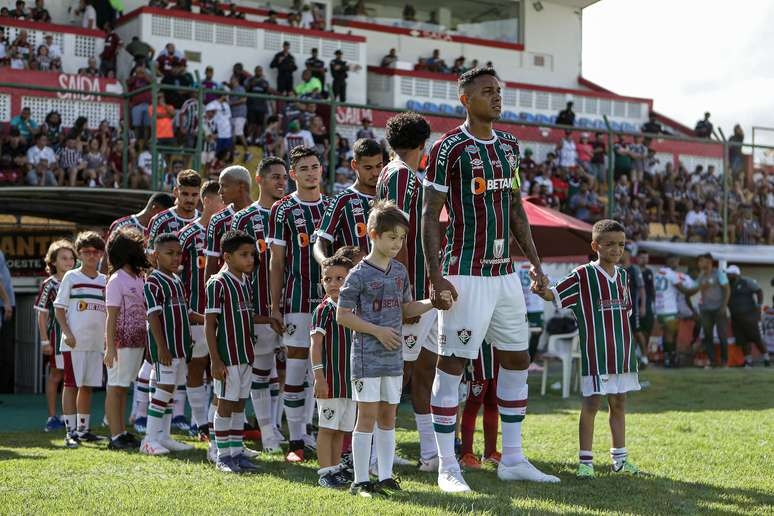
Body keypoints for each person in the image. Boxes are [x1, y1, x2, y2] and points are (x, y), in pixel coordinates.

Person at [422, 67, 558, 492]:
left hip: (505, 275)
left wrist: (535, 264)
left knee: (517, 360)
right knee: (452, 366)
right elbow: (429, 214)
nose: (496, 97)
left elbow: (516, 208)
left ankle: (512, 458)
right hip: (465, 272)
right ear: (465, 100)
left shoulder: (510, 145)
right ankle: (448, 466)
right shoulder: (448, 148)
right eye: (487, 91)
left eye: (498, 90)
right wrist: (435, 275)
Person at [337, 200, 439, 496]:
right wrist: (377, 331)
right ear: (373, 235)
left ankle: (384, 477)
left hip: (394, 358)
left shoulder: (399, 271)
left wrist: (433, 302)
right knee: (366, 418)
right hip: (366, 359)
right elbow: (342, 315)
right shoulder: (358, 274)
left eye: (402, 238)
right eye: (392, 237)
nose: (397, 243)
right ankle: (360, 481)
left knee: (388, 418)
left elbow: (406, 309)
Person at [537, 219, 640, 478]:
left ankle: (620, 460)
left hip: (622, 352)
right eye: (610, 244)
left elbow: (625, 313)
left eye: (621, 244)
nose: (616, 249)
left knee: (619, 402)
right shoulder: (582, 275)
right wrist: (541, 289)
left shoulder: (624, 276)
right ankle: (586, 463)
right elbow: (554, 295)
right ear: (595, 246)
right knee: (592, 403)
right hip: (596, 353)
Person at [376, 112, 439, 472]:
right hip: (408, 290)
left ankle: (430, 453)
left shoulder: (400, 173)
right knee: (398, 374)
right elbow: (394, 236)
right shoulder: (400, 175)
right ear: (423, 144)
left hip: (420, 288)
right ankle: (373, 452)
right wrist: (404, 294)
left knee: (423, 370)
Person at [269, 146, 330, 462]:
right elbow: (277, 262)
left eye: (314, 167)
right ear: (293, 174)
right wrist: (274, 305)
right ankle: (295, 442)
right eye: (304, 168)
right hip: (296, 300)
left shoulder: (332, 206)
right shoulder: (282, 209)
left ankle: (324, 436)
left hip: (329, 302)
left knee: (326, 369)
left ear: (322, 169)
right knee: (295, 368)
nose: (310, 173)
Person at [230, 158, 288, 453]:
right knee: (261, 371)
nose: (281, 182)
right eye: (275, 177)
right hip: (259, 310)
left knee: (292, 372)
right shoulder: (245, 218)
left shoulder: (291, 211)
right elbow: (234, 267)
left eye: (284, 177)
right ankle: (267, 433)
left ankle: (284, 430)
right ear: (259, 180)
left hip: (292, 305)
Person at [206, 230, 262, 473]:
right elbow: (210, 324)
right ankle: (222, 455)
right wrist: (215, 360)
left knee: (239, 404)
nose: (250, 259)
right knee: (225, 405)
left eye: (252, 254)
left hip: (245, 355)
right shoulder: (217, 283)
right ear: (227, 257)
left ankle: (237, 452)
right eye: (244, 255)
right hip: (227, 357)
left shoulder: (245, 281)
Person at [141, 233, 195, 456]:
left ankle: (163, 436)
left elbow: (186, 312)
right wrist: (162, 348)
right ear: (156, 255)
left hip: (180, 348)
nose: (175, 258)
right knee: (163, 390)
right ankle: (149, 440)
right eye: (169, 253)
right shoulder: (153, 282)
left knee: (170, 390)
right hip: (166, 349)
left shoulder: (176, 280)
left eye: (178, 253)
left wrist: (210, 318)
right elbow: (153, 316)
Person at [177, 180, 223, 439]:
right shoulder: (188, 234)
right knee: (196, 366)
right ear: (207, 201)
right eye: (221, 201)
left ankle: (215, 422)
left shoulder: (229, 229)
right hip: (196, 313)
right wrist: (187, 310)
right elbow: (175, 275)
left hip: (223, 315)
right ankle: (199, 423)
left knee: (222, 368)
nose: (225, 207)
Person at [54, 231, 107, 448]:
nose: (91, 255)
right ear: (79, 254)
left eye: (96, 251)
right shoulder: (71, 277)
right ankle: (70, 432)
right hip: (74, 342)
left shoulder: (105, 280)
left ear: (101, 254)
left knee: (87, 385)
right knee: (71, 384)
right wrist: (67, 333)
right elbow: (59, 308)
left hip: (96, 343)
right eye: (87, 252)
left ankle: (84, 430)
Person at [310, 254, 356, 488]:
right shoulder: (324, 310)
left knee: (340, 430)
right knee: (327, 428)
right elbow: (315, 346)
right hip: (330, 381)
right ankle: (325, 472)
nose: (333, 283)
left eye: (340, 278)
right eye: (328, 279)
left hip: (349, 383)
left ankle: (335, 468)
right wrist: (319, 378)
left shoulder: (353, 309)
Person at [104, 228, 149, 451]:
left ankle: (122, 432)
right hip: (121, 343)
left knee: (123, 387)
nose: (143, 251)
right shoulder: (116, 280)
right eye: (138, 248)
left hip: (137, 342)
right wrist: (110, 347)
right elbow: (111, 317)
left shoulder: (140, 277)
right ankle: (115, 436)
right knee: (116, 387)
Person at [314, 139, 382, 263]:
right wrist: (325, 263)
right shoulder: (343, 200)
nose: (375, 173)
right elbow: (320, 240)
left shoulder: (388, 195)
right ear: (354, 165)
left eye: (379, 166)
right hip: (356, 274)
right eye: (368, 168)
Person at [35, 240, 76, 433]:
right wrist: (45, 341)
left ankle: (70, 417)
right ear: (53, 261)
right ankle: (52, 417)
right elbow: (41, 314)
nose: (68, 262)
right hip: (57, 337)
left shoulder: (78, 280)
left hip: (79, 336)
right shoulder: (49, 284)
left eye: (71, 258)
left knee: (75, 377)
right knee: (57, 375)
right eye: (63, 258)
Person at [459, 340, 500, 470]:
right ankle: (466, 454)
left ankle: (490, 452)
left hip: (495, 349)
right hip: (478, 352)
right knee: (473, 404)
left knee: (493, 403)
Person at [683, 253, 730, 368]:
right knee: (708, 336)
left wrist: (724, 306)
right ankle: (712, 361)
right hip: (706, 310)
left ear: (709, 262)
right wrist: (700, 287)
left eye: (701, 261)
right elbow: (691, 291)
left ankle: (724, 361)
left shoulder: (719, 273)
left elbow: (727, 289)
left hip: (719, 308)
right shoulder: (701, 276)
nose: (699, 264)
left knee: (722, 335)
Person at [726, 265, 770, 367]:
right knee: (743, 340)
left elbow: (759, 291)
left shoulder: (747, 281)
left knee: (757, 338)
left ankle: (766, 358)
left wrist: (759, 305)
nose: (727, 276)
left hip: (750, 316)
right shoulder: (727, 285)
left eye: (729, 274)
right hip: (736, 318)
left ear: (735, 274)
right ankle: (748, 361)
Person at [146, 170, 201, 250]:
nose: (190, 199)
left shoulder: (205, 221)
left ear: (200, 194)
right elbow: (150, 253)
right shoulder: (159, 221)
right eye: (185, 194)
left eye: (194, 195)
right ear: (175, 192)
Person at [654, 255, 693, 368]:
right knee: (670, 335)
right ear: (671, 261)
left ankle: (668, 358)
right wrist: (697, 288)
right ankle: (669, 359)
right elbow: (683, 290)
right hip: (669, 309)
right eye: (677, 261)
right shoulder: (672, 274)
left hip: (659, 309)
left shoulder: (658, 273)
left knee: (666, 334)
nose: (677, 264)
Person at [636, 250, 655, 362]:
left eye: (646, 258)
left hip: (647, 305)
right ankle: (638, 353)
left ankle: (643, 353)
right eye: (642, 257)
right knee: (636, 330)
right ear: (637, 258)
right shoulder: (633, 270)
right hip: (635, 304)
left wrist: (653, 303)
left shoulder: (649, 272)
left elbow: (652, 289)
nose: (645, 260)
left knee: (647, 329)